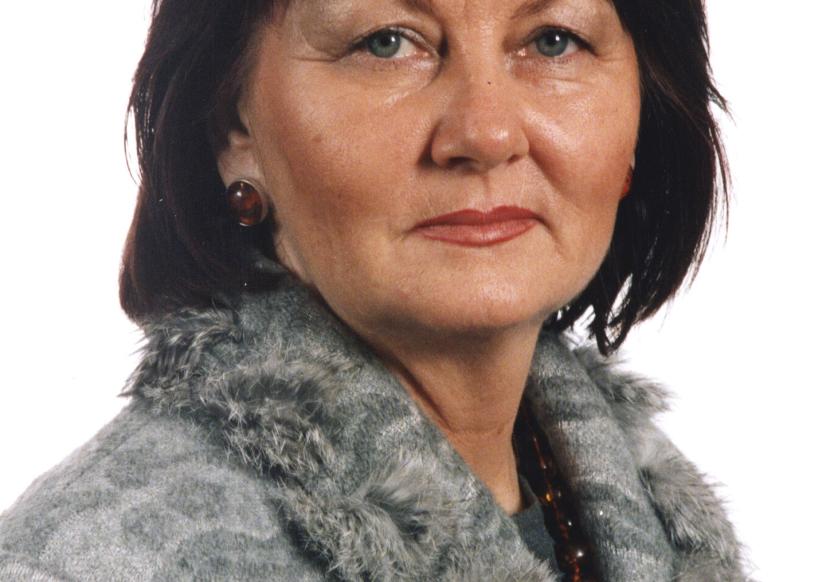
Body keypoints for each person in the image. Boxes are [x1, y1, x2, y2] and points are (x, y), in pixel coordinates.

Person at [0, 0, 749, 580]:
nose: (485, 134)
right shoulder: (92, 559)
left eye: (553, 41)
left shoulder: (641, 512)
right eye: (386, 42)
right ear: (235, 132)